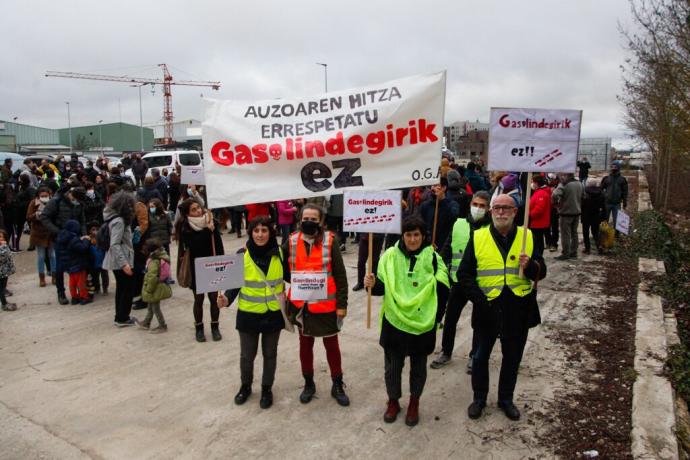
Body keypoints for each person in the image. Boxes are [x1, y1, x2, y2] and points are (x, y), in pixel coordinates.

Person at [459, 194, 546, 421]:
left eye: (506, 208)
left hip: (517, 308)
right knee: (480, 357)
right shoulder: (478, 237)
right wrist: (480, 300)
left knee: (512, 357)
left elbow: (541, 271)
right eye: (497, 208)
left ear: (515, 212)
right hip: (487, 307)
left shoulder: (528, 236)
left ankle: (506, 399)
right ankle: (479, 398)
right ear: (491, 211)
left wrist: (530, 267)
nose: (501, 213)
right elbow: (464, 275)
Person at [364, 216, 449, 426]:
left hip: (423, 324)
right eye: (409, 234)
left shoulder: (434, 259)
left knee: (418, 367)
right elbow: (381, 288)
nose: (412, 239)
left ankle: (414, 402)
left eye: (416, 235)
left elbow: (443, 290)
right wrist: (372, 285)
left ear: (423, 236)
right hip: (394, 322)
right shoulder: (390, 256)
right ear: (403, 235)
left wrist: (435, 319)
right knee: (392, 367)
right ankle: (393, 401)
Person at [283, 204, 350, 406]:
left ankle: (337, 384)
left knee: (332, 346)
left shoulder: (331, 241)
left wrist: (342, 305)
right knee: (305, 346)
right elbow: (280, 265)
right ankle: (308, 383)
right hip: (302, 307)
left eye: (313, 219)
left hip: (327, 308)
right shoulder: (292, 241)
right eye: (306, 218)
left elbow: (340, 275)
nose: (309, 222)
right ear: (299, 219)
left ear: (320, 222)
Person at [217, 216, 286, 409]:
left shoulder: (280, 253)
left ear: (270, 232)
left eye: (264, 230)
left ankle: (266, 389)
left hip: (273, 314)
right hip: (248, 315)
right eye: (256, 231)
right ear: (251, 232)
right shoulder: (242, 254)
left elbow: (292, 277)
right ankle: (245, 387)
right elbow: (233, 285)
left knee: (270, 354)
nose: (260, 234)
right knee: (247, 355)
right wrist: (226, 299)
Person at [432, 191, 492, 371]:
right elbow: (446, 251)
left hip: (480, 283)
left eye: (482, 206)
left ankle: (474, 356)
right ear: (470, 204)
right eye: (476, 204)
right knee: (450, 318)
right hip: (458, 281)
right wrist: (437, 267)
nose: (478, 208)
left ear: (488, 209)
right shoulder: (458, 225)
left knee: (478, 322)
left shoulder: (491, 230)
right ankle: (446, 352)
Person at [176, 199, 225, 342]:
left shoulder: (211, 221)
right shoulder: (185, 226)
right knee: (199, 299)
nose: (198, 211)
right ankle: (199, 329)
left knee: (213, 298)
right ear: (187, 214)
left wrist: (221, 262)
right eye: (193, 209)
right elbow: (194, 244)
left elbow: (218, 243)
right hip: (196, 267)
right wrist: (206, 231)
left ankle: (215, 327)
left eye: (198, 207)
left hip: (212, 265)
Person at [40, 187, 86, 305]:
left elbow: (82, 220)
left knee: (78, 264)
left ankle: (81, 292)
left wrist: (84, 235)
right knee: (60, 266)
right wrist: (57, 231)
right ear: (70, 194)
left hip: (76, 238)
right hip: (60, 239)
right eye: (75, 198)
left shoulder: (79, 203)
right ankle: (61, 292)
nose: (76, 201)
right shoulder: (56, 201)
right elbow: (44, 217)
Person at [102, 191, 138, 327]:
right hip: (121, 261)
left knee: (122, 288)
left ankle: (121, 316)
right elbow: (115, 244)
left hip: (120, 259)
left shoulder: (115, 219)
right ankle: (123, 317)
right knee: (127, 289)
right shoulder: (119, 221)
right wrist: (124, 264)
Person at [138, 238, 172, 333]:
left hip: (155, 288)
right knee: (151, 305)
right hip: (157, 286)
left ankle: (162, 325)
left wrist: (149, 289)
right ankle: (146, 322)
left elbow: (152, 277)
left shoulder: (153, 261)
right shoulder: (159, 257)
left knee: (155, 307)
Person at [57, 219, 92, 305]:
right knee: (81, 282)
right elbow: (82, 248)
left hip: (69, 265)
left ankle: (74, 297)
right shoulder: (73, 239)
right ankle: (84, 297)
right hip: (78, 264)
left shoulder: (62, 238)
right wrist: (86, 240)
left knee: (72, 282)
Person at [27, 187, 56, 287]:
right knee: (41, 256)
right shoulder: (33, 203)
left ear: (49, 195)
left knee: (52, 255)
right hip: (38, 233)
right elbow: (28, 217)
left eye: (46, 196)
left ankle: (54, 276)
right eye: (42, 196)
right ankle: (42, 278)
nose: (44, 198)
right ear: (38, 196)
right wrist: (37, 214)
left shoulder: (53, 202)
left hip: (50, 232)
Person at [419, 178, 460, 249]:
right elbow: (420, 223)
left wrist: (442, 200)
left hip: (445, 246)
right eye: (432, 185)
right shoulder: (425, 205)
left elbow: (453, 218)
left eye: (435, 185)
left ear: (444, 188)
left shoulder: (452, 205)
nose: (432, 188)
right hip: (427, 245)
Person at [552, 173, 584, 260]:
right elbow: (583, 196)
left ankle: (565, 253)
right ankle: (574, 252)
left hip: (566, 212)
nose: (562, 176)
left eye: (563, 175)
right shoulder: (580, 183)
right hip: (577, 212)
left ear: (566, 175)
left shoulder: (564, 184)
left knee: (565, 234)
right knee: (574, 233)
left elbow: (554, 194)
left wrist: (555, 204)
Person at [527, 175, 551, 257]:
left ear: (536, 183)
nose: (531, 184)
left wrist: (529, 215)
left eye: (532, 182)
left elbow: (539, 209)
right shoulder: (539, 192)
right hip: (538, 222)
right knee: (538, 240)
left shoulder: (541, 194)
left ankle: (538, 255)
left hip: (538, 222)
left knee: (537, 241)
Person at [600, 162, 628, 232]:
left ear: (618, 168)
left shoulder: (622, 179)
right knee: (604, 220)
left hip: (617, 203)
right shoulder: (606, 178)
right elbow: (600, 189)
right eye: (612, 166)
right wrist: (604, 195)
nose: (613, 168)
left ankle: (616, 234)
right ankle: (603, 234)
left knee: (617, 220)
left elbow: (625, 192)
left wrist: (624, 203)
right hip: (607, 203)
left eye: (615, 167)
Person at [581, 178, 606, 254]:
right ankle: (599, 246)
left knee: (586, 232)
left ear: (588, 184)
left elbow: (582, 204)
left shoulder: (585, 192)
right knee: (595, 232)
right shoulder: (601, 193)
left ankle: (587, 248)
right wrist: (603, 217)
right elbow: (603, 206)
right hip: (596, 215)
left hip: (586, 215)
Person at [87, 221, 108, 295]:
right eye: (93, 229)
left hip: (103, 260)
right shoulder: (88, 239)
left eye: (97, 229)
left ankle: (105, 288)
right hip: (94, 261)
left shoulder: (102, 237)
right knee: (95, 276)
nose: (95, 231)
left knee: (104, 276)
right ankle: (97, 288)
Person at [0, 229, 17, 311]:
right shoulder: (3, 248)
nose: (1, 239)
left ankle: (4, 302)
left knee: (3, 287)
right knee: (1, 288)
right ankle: (4, 304)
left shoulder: (5, 247)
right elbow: (3, 256)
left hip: (5, 272)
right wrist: (3, 246)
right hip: (1, 272)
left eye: (2, 237)